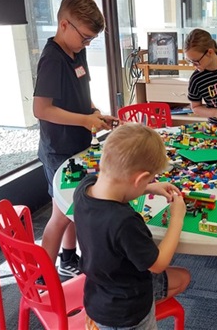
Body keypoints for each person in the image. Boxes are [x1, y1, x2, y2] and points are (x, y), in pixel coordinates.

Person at [33, 0, 118, 278]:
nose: (87, 44)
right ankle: (44, 276)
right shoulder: (53, 60)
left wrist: (95, 112)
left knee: (73, 207)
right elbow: (41, 109)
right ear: (64, 25)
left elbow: (82, 94)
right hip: (58, 148)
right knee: (60, 213)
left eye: (91, 40)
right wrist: (84, 119)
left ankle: (69, 258)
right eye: (85, 38)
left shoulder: (76, 52)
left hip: (77, 144)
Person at [74, 123, 191, 330]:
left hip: (97, 296)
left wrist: (148, 187)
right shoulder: (124, 222)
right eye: (149, 178)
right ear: (139, 178)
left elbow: (118, 181)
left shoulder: (84, 188)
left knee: (181, 277)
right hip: (127, 312)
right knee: (180, 276)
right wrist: (177, 219)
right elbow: (158, 264)